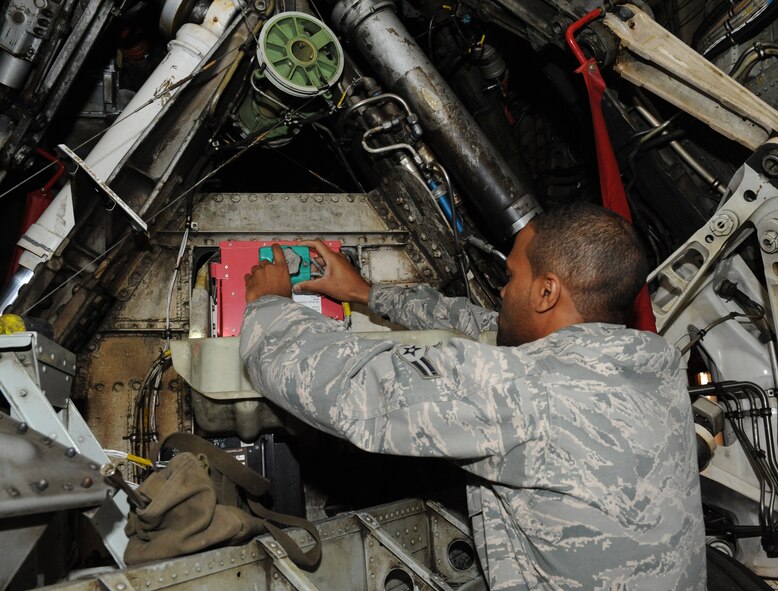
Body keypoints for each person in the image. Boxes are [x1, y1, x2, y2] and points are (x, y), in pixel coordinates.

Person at [239, 203, 706, 590]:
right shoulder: (654, 365)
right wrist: (367, 293)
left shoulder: (524, 394)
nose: (502, 291)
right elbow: (493, 327)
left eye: (511, 276)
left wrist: (269, 306)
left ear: (546, 291)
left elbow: (346, 388)